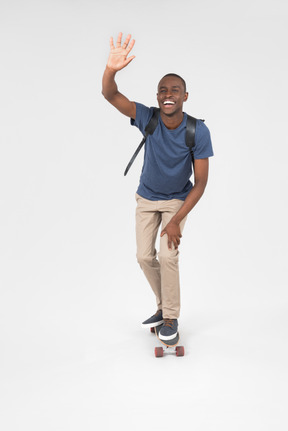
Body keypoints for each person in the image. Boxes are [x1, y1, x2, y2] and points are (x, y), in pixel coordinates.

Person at [102, 32, 214, 341]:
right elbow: (111, 96)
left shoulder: (197, 130)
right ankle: (164, 306)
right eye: (163, 90)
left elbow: (201, 182)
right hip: (146, 198)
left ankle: (171, 319)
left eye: (175, 90)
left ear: (185, 97)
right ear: (157, 96)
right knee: (143, 256)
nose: (169, 94)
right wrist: (111, 70)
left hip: (177, 200)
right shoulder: (147, 117)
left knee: (167, 256)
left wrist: (176, 220)